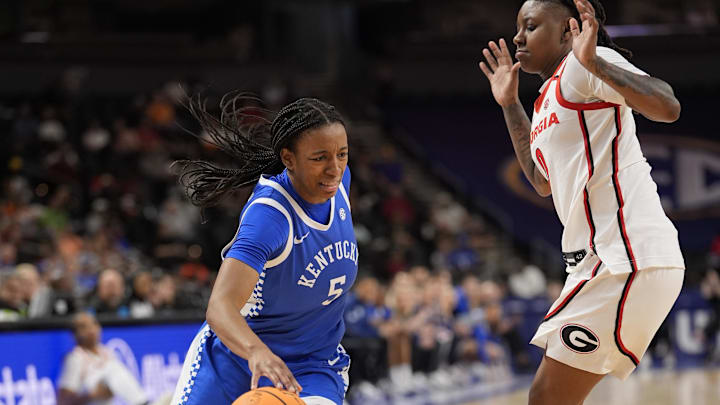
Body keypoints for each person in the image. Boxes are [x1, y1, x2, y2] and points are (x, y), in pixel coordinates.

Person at [478, 0, 685, 403]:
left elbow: (667, 106)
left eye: (531, 26)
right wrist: (510, 104)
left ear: (568, 30)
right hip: (601, 264)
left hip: (626, 258)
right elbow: (541, 182)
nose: (518, 37)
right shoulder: (546, 96)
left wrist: (593, 62)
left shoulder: (582, 65)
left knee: (546, 399)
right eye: (519, 27)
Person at [170, 93, 357, 405]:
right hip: (237, 361)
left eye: (342, 154)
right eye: (319, 157)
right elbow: (220, 306)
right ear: (288, 158)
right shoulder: (269, 217)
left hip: (313, 367)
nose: (334, 169)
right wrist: (256, 350)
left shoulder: (338, 185)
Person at [57, 312, 149, 405]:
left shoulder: (107, 352)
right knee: (111, 371)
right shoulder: (75, 358)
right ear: (75, 334)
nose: (91, 330)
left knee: (114, 369)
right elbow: (63, 401)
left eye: (94, 324)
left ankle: (142, 401)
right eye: (84, 327)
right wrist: (92, 395)